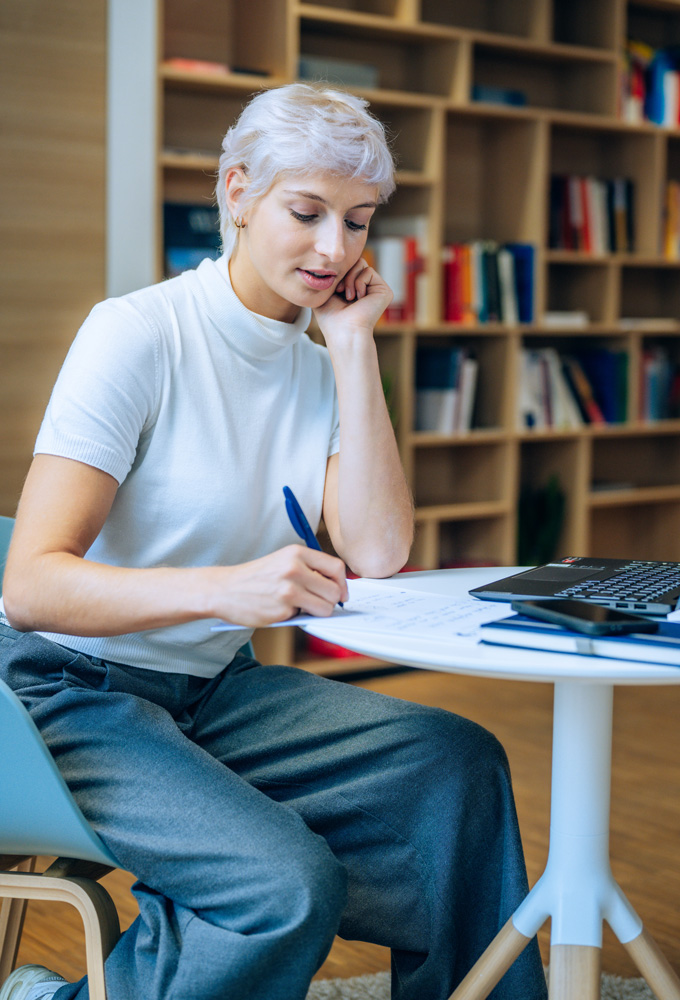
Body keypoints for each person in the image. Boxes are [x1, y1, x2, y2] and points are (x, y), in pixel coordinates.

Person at [0, 83, 547, 1000]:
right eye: (308, 212)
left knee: (457, 766)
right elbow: (31, 588)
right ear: (237, 192)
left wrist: (353, 347)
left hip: (213, 690)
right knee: (286, 886)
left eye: (360, 222)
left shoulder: (320, 360)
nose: (336, 250)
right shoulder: (137, 336)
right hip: (65, 694)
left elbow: (376, 551)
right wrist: (223, 589)